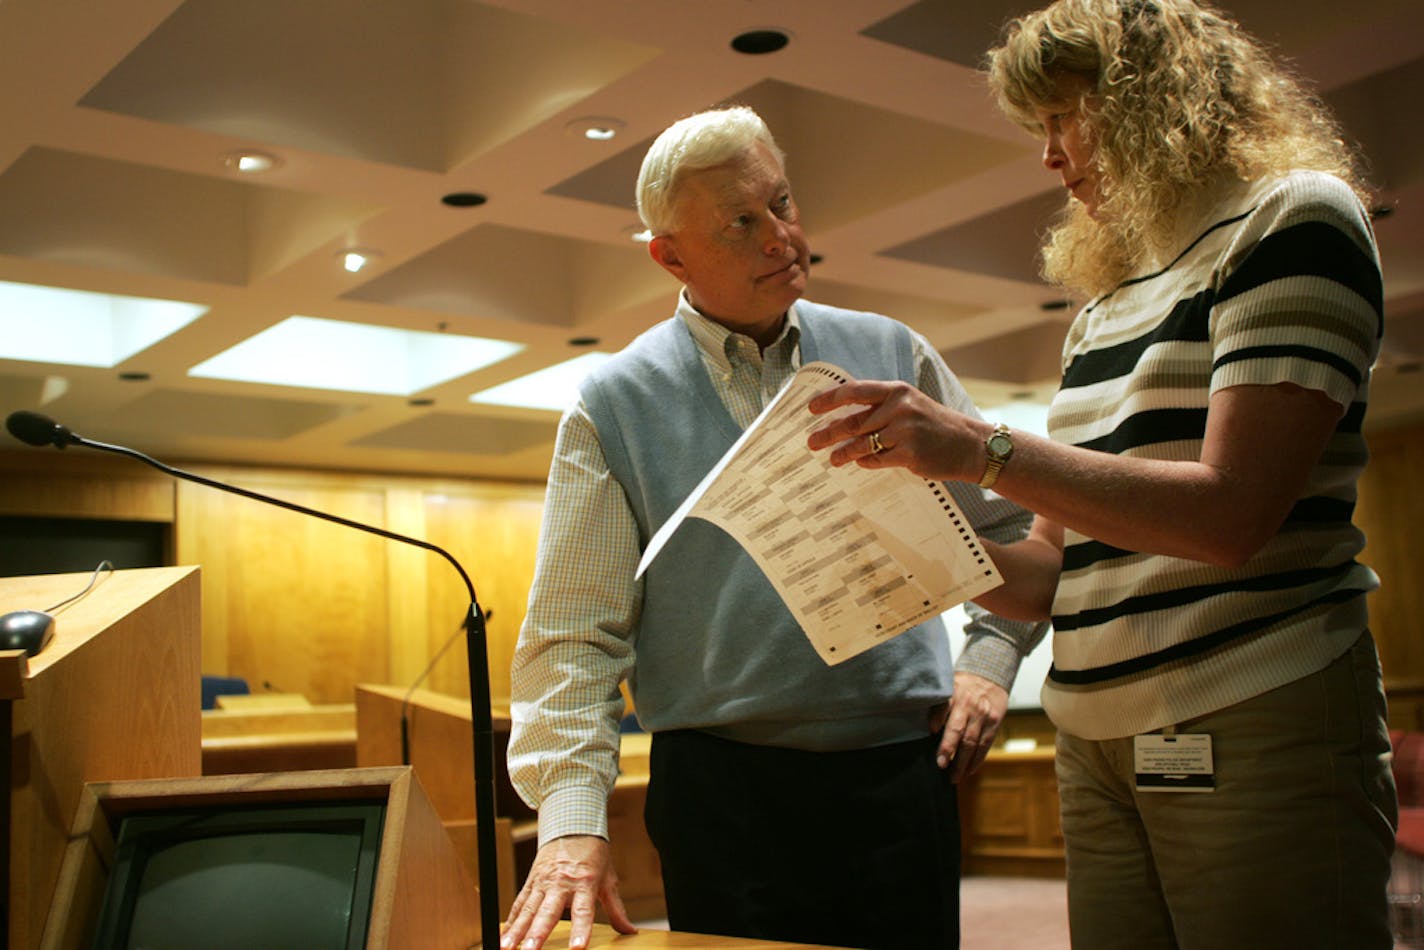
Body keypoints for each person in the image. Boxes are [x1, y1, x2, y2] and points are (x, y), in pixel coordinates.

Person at [805, 1, 1396, 947]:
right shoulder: (1106, 304)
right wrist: (893, 535)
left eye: (1059, 119)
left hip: (1249, 709)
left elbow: (1231, 515)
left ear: (1147, 102)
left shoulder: (1293, 217)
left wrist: (981, 449)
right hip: (1093, 737)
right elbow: (1055, 569)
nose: (1047, 156)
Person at [501, 105, 1047, 950]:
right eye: (742, 224)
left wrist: (989, 661)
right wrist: (573, 820)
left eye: (784, 205)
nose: (780, 239)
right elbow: (574, 635)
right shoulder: (613, 403)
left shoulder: (891, 353)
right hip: (724, 793)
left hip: (904, 771)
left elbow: (1016, 522)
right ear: (668, 255)